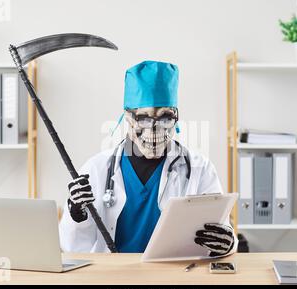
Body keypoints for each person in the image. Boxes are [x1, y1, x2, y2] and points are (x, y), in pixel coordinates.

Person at [59, 60, 238, 256]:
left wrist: (227, 244)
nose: (154, 129)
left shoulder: (199, 169)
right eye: (143, 118)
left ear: (176, 118)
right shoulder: (96, 168)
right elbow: (71, 247)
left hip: (174, 278)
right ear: (128, 118)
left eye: (165, 118)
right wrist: (76, 214)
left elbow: (221, 228)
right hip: (113, 279)